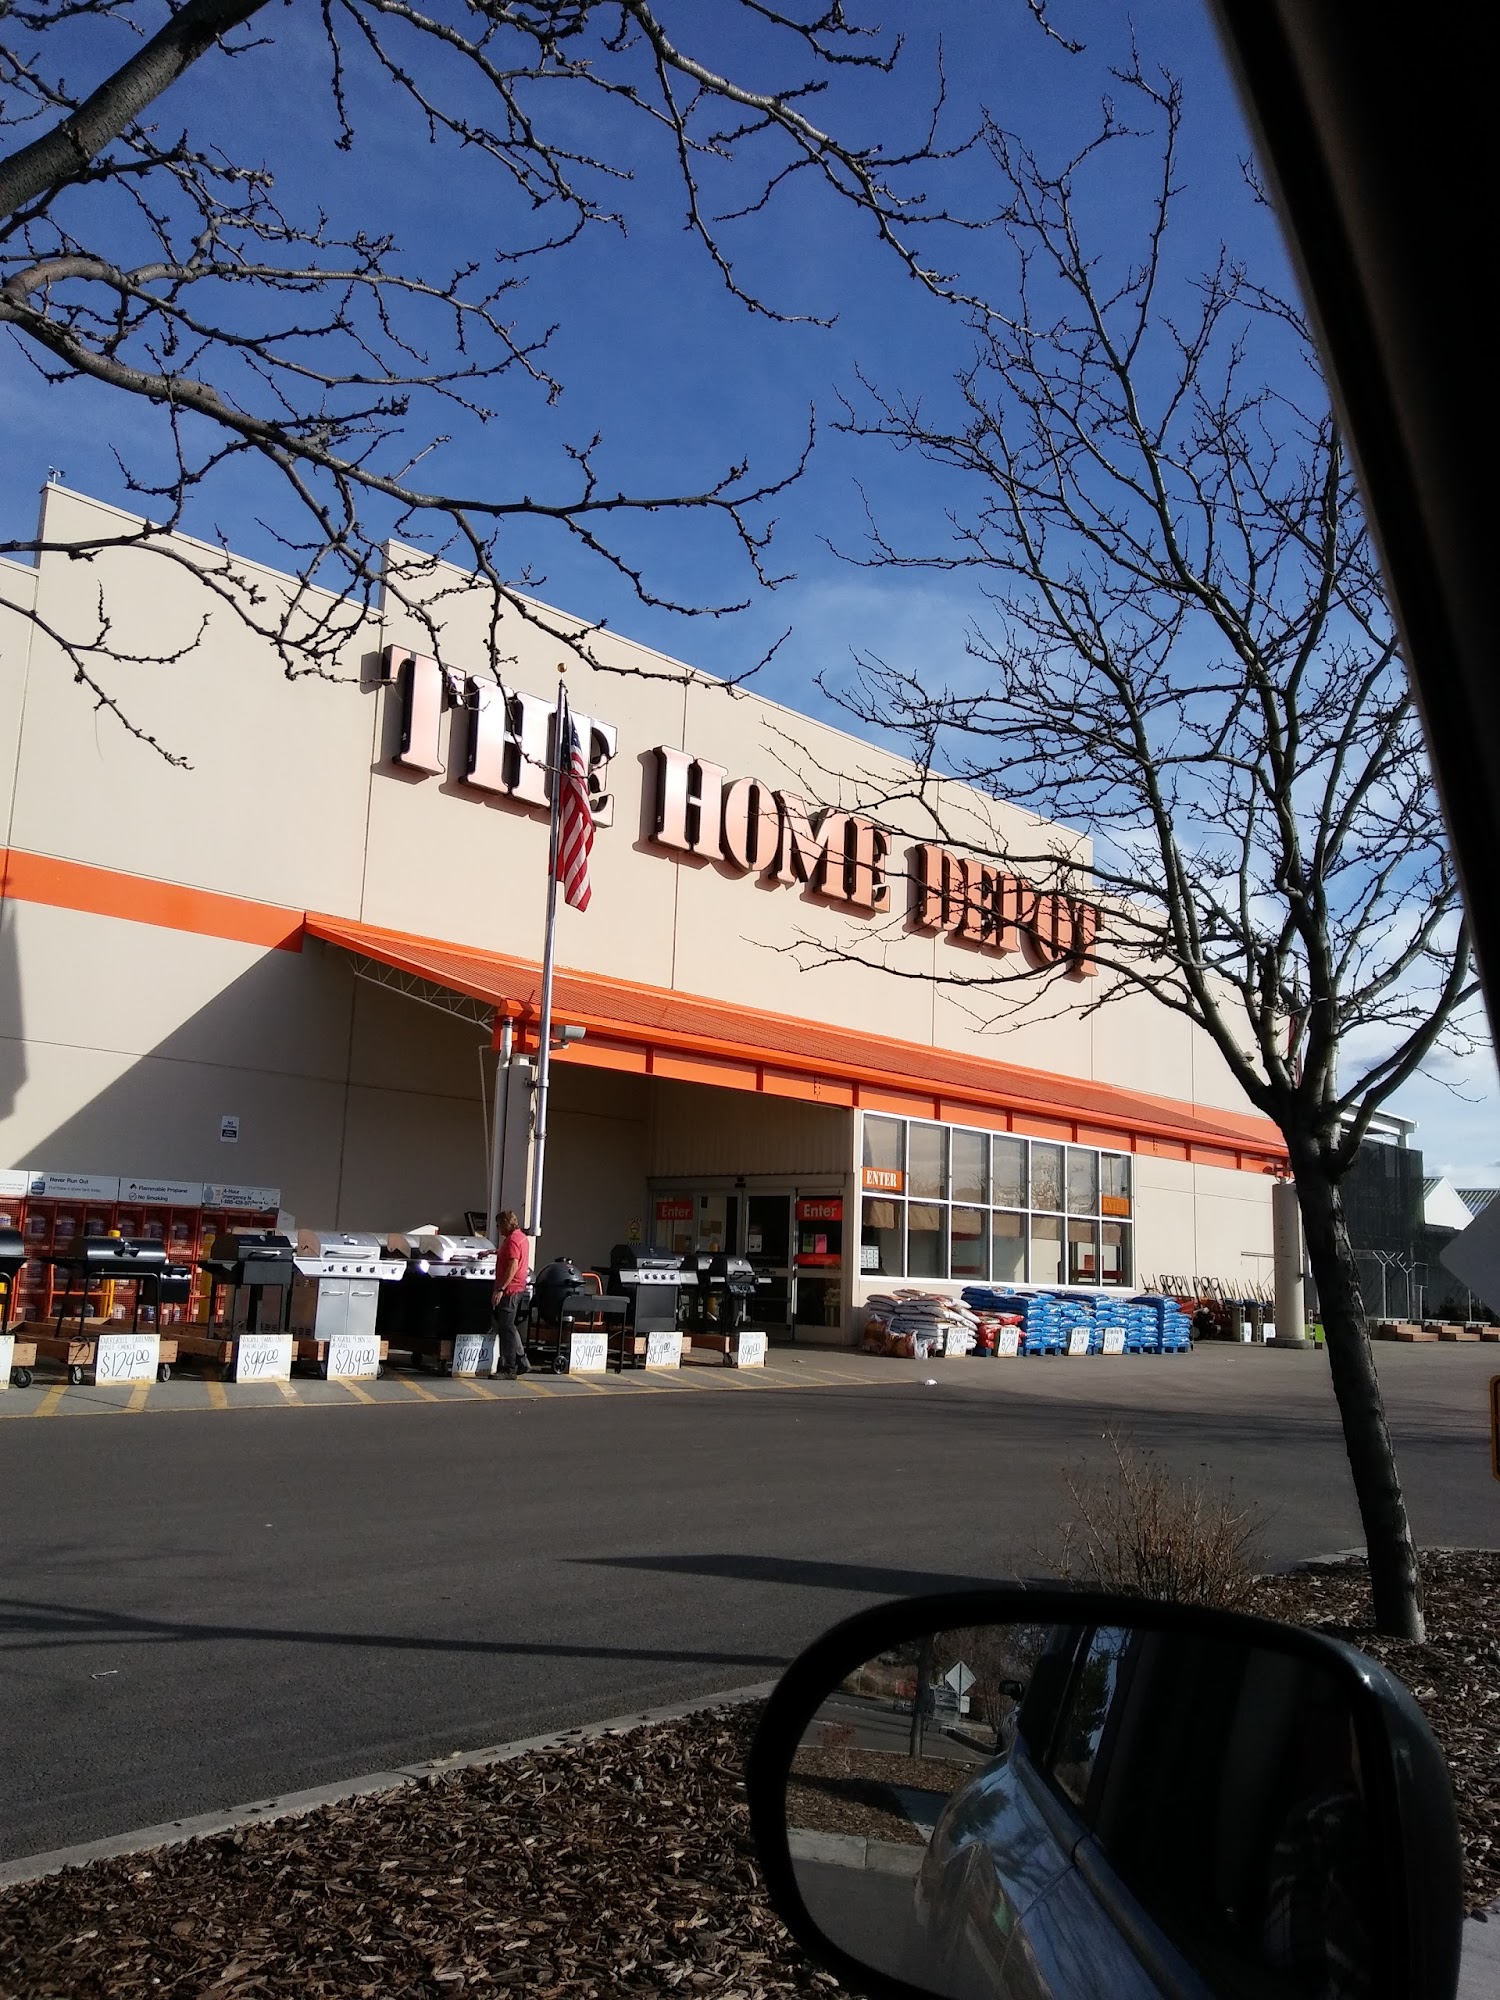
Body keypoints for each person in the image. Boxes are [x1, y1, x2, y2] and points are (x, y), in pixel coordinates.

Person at [490, 1210, 531, 1378]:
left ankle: (508, 1367)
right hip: (519, 1288)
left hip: (510, 1290)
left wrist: (500, 1289)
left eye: (499, 1225)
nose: (498, 1228)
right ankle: (522, 1361)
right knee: (510, 1326)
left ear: (506, 1224)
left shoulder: (512, 1240)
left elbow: (513, 1265)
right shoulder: (521, 1237)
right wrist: (493, 1252)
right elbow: (510, 1255)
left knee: (505, 1328)